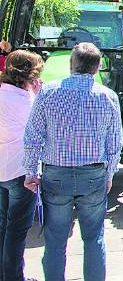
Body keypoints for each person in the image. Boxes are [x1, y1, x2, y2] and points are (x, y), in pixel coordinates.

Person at [23, 43, 123, 281]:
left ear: (71, 64)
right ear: (98, 67)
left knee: (55, 240)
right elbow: (114, 142)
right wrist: (109, 175)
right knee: (94, 239)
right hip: (93, 176)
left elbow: (32, 136)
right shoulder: (108, 97)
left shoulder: (48, 93)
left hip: (56, 175)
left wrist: (30, 172)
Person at [0, 50, 43, 281]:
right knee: (16, 232)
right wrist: (38, 94)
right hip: (21, 171)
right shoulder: (26, 100)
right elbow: (39, 129)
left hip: (2, 170)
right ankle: (14, 278)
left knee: (3, 228)